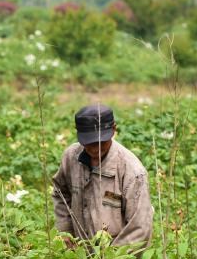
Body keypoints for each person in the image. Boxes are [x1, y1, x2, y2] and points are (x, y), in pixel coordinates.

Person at [51, 104, 153, 248]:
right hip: (80, 258)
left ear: (113, 129)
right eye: (89, 143)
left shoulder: (132, 171)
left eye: (101, 142)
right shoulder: (71, 158)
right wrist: (65, 230)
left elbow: (139, 229)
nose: (95, 149)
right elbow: (60, 193)